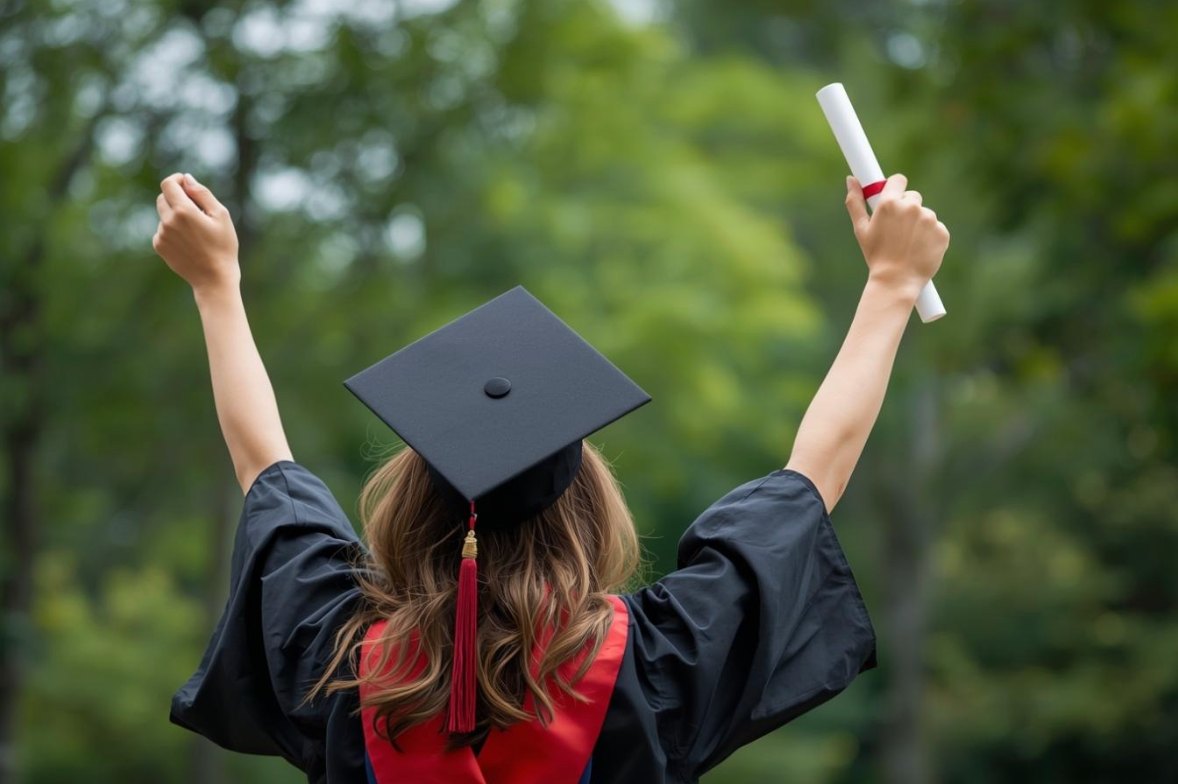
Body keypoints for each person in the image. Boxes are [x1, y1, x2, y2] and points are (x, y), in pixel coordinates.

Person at [152, 170, 949, 784]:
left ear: (411, 505)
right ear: (587, 508)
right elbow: (815, 476)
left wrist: (216, 286)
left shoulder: (336, 660)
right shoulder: (659, 666)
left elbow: (265, 464)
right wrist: (890, 286)